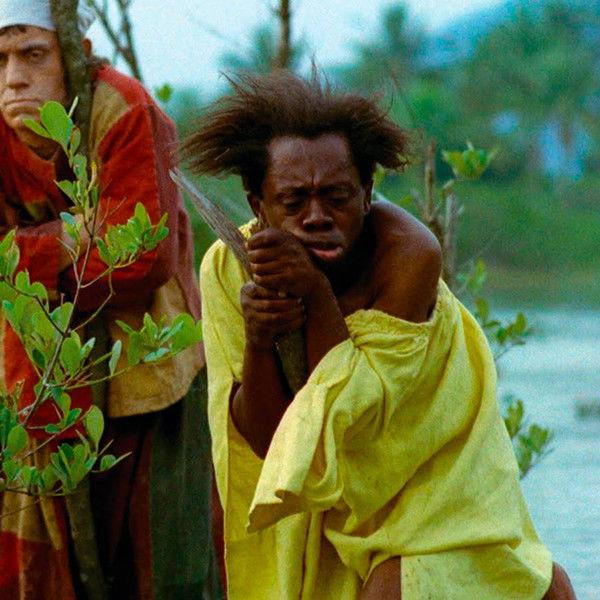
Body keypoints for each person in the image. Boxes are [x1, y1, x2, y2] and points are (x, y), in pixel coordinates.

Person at [183, 70, 577, 599]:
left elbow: (356, 419)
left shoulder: (408, 255)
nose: (316, 217)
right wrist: (259, 339)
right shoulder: (229, 268)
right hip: (331, 498)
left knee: (398, 587)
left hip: (436, 489)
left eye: (337, 197)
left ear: (367, 193)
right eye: (293, 202)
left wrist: (315, 294)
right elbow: (267, 442)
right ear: (259, 206)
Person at [0, 2, 221, 599]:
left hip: (143, 372)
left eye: (32, 55)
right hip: (33, 376)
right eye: (0, 60)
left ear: (74, 56)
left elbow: (141, 257)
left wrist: (24, 258)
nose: (14, 78)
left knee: (157, 562)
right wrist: (63, 241)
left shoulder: (124, 111)